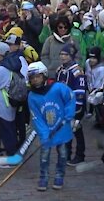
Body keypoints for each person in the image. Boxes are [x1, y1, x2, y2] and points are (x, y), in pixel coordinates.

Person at [27, 61, 75, 191]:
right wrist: (44, 133)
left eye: (38, 76)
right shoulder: (32, 96)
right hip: (47, 131)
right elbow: (36, 117)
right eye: (32, 78)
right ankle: (44, 177)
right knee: (44, 155)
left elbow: (70, 99)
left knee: (63, 153)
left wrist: (68, 117)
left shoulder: (58, 88)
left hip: (62, 126)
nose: (35, 80)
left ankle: (59, 175)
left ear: (44, 76)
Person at [56, 44, 87, 166]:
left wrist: (77, 108)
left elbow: (80, 91)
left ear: (72, 56)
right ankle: (66, 154)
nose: (63, 57)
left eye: (66, 54)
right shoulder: (60, 70)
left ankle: (80, 155)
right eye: (61, 54)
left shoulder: (76, 71)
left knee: (77, 131)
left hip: (74, 106)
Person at [41, 15, 79, 81]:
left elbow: (78, 56)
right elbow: (44, 55)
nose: (63, 29)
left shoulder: (73, 40)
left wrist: (74, 68)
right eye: (60, 27)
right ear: (57, 27)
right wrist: (48, 67)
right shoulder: (49, 40)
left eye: (65, 27)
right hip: (52, 75)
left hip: (69, 75)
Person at [85, 47, 104, 127]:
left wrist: (94, 90)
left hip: (100, 88)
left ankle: (102, 121)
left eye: (94, 58)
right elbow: (87, 75)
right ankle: (91, 112)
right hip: (90, 85)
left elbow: (100, 83)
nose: (91, 60)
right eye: (90, 57)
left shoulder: (102, 68)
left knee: (99, 104)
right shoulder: (87, 63)